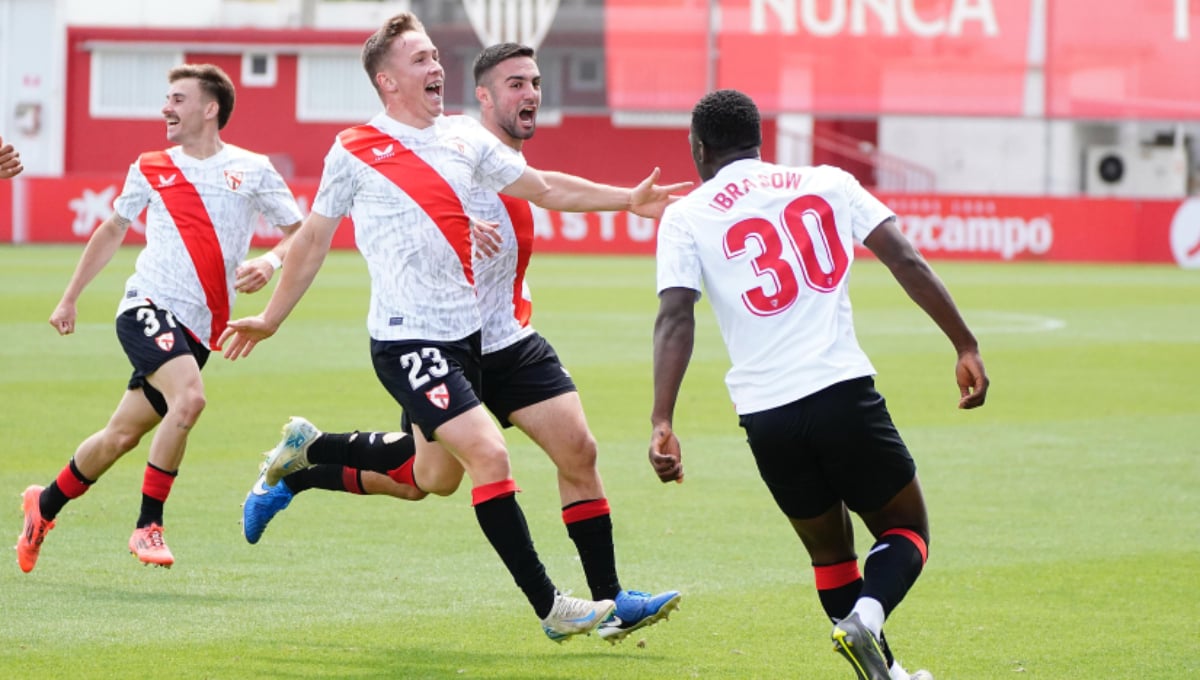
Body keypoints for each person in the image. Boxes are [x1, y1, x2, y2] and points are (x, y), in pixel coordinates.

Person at [218, 13, 689, 642]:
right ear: (387, 80)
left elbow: (544, 186)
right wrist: (273, 316)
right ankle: (552, 608)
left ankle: (308, 456)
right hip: (408, 338)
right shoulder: (354, 148)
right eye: (420, 59)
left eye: (436, 56)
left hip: (477, 338)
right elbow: (313, 240)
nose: (436, 66)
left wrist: (627, 198)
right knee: (489, 456)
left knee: (435, 478)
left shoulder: (465, 136)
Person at [648, 89, 989, 680]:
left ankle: (887, 671)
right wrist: (964, 343)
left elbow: (676, 316)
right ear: (760, 140)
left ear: (699, 150)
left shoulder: (686, 214)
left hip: (765, 416)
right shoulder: (827, 181)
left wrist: (662, 419)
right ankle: (870, 617)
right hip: (840, 394)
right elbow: (905, 258)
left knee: (831, 556)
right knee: (907, 530)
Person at [15, 64, 303, 572]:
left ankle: (44, 505)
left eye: (176, 98)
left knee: (120, 437)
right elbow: (111, 229)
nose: (165, 108)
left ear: (209, 108)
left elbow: (300, 231)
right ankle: (149, 525)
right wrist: (70, 297)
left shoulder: (253, 169)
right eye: (165, 98)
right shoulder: (150, 165)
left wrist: (270, 261)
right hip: (146, 306)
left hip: (199, 329)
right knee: (189, 400)